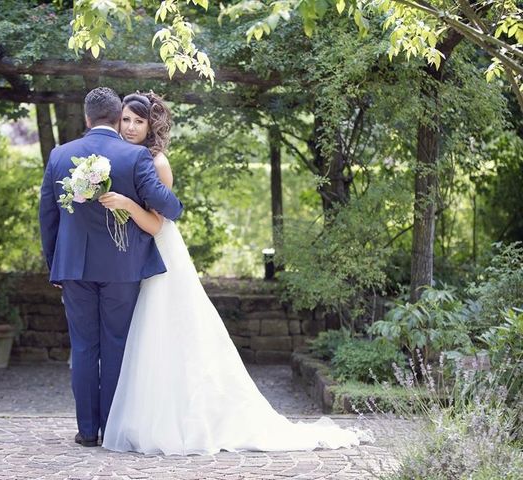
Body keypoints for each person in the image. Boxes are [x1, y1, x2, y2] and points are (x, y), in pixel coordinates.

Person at [98, 92, 371, 455]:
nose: (130, 127)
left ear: (151, 126)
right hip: (141, 256)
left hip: (162, 252)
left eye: (138, 121)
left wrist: (126, 205)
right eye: (126, 120)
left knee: (170, 331)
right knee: (151, 337)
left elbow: (156, 223)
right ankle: (149, 416)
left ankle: (184, 420)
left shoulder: (158, 162)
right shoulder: (122, 157)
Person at [38, 87, 183, 448]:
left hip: (73, 267)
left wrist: (55, 265)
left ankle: (87, 431)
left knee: (84, 347)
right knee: (117, 344)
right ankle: (113, 430)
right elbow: (171, 208)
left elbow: (48, 217)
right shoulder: (135, 157)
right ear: (117, 117)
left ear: (86, 117)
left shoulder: (60, 155)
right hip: (123, 267)